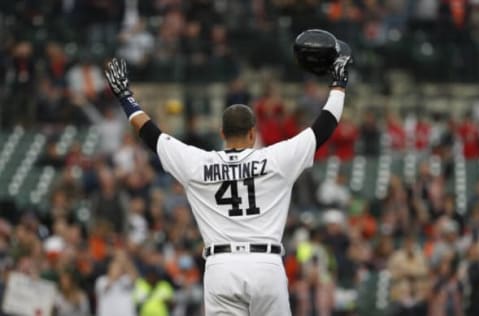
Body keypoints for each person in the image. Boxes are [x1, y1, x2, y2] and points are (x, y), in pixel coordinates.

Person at [104, 53, 350, 315]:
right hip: (265, 264)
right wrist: (338, 84)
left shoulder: (198, 163)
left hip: (221, 267)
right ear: (253, 134)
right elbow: (324, 125)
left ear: (222, 134)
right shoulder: (276, 159)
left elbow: (151, 134)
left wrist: (125, 96)